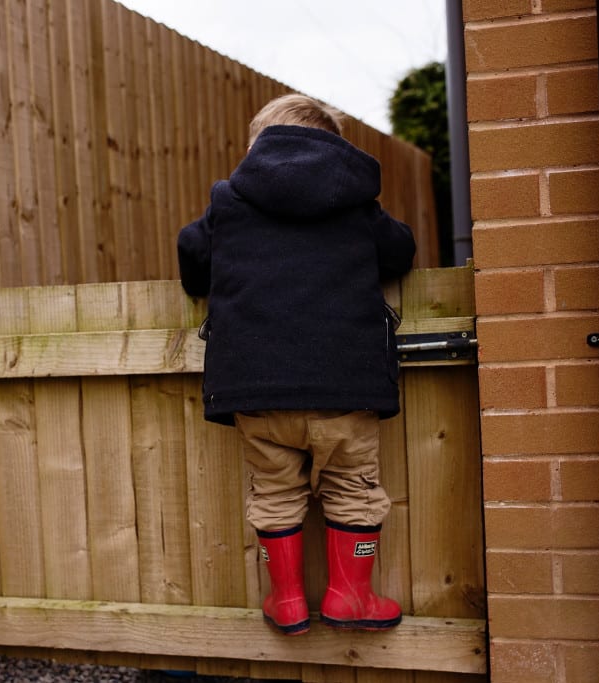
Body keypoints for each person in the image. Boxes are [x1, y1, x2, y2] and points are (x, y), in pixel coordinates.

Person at [176, 93, 415, 636]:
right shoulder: (355, 202)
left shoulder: (228, 201)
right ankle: (349, 595)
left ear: (259, 144)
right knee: (353, 486)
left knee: (275, 491)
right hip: (344, 384)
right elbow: (400, 252)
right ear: (332, 145)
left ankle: (286, 601)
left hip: (255, 387)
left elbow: (193, 257)